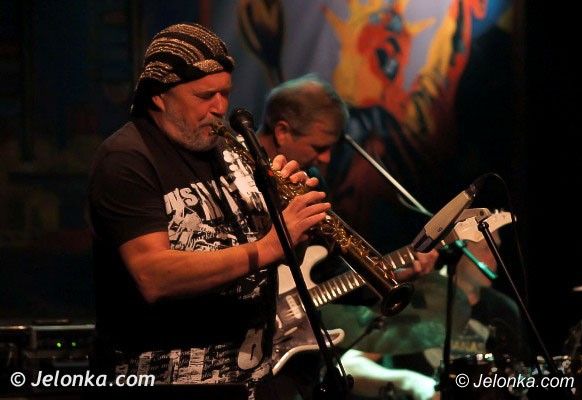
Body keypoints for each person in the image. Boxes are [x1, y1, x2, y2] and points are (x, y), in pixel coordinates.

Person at [86, 23, 331, 399]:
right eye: (204, 96)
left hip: (253, 379)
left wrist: (293, 229)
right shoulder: (126, 159)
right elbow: (154, 275)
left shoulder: (233, 152)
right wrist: (270, 245)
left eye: (224, 94)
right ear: (160, 96)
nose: (219, 108)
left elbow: (277, 258)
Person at [255, 75, 439, 399]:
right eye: (319, 147)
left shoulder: (311, 183)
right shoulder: (233, 177)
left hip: (297, 361)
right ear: (282, 131)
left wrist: (396, 273)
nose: (327, 158)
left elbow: (331, 273)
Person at [339, 235, 525, 400]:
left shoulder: (504, 309)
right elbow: (349, 366)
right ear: (458, 248)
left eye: (496, 247)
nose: (495, 258)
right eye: (486, 248)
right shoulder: (416, 298)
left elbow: (514, 376)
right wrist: (412, 382)